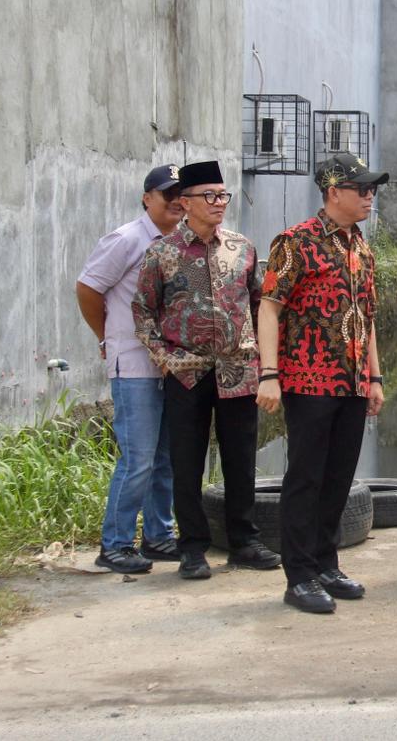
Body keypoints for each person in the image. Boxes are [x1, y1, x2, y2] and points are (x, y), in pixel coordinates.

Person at [133, 160, 280, 580]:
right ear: (185, 203)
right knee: (187, 461)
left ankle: (244, 542)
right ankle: (193, 548)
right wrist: (167, 358)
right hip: (187, 372)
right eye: (209, 196)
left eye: (223, 196)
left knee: (241, 460)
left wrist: (263, 362)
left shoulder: (243, 248)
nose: (219, 204)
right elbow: (143, 312)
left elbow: (259, 305)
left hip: (238, 371)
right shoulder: (162, 253)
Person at [256, 152, 388, 614]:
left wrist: (374, 376)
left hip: (351, 384)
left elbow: (367, 318)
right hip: (308, 381)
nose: (370, 196)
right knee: (305, 478)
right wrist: (269, 374)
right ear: (334, 192)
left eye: (372, 189)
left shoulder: (362, 248)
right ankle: (299, 577)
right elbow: (269, 306)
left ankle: (326, 563)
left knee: (338, 478)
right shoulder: (296, 242)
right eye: (362, 189)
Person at [76, 165, 185, 574]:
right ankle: (116, 545)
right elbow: (88, 287)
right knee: (137, 458)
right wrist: (108, 337)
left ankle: (158, 537)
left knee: (165, 457)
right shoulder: (126, 240)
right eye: (167, 193)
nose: (176, 200)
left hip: (172, 367)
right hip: (136, 366)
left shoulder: (181, 244)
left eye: (181, 193)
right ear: (147, 198)